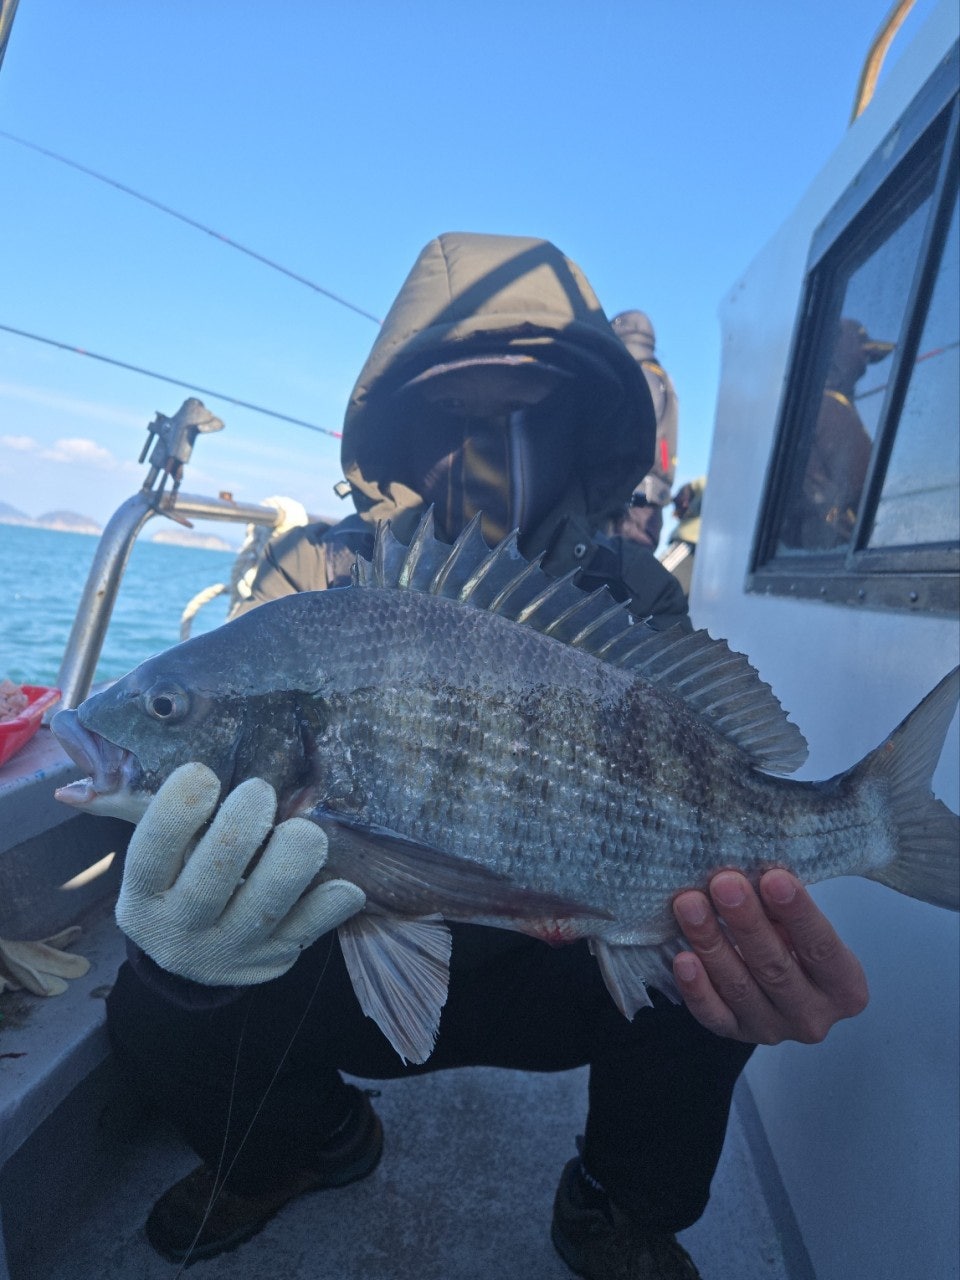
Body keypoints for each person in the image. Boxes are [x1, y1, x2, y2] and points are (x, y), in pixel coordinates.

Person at [105, 233, 869, 1280]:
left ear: (582, 426)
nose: (492, 440)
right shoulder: (314, 574)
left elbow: (700, 763)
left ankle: (621, 1205)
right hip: (331, 952)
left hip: (559, 957)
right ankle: (304, 1145)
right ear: (398, 423)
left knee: (717, 955)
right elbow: (212, 758)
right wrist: (187, 951)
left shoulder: (628, 593)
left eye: (532, 411)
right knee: (156, 983)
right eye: (452, 411)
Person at [782, 317, 894, 550]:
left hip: (816, 549)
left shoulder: (808, 408)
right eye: (864, 352)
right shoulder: (831, 408)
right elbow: (868, 489)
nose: (867, 361)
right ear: (836, 353)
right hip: (837, 548)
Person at [609, 310, 679, 550]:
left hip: (630, 504)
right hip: (650, 506)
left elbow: (620, 436)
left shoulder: (636, 377)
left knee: (607, 567)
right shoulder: (662, 380)